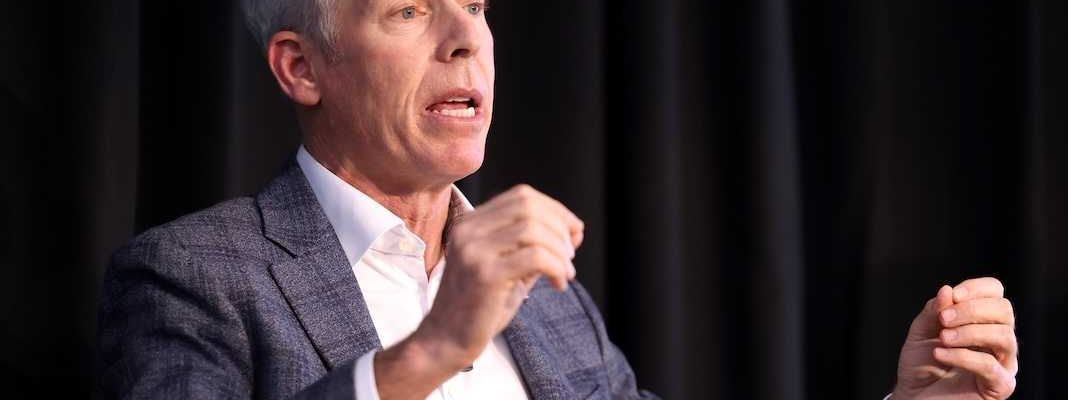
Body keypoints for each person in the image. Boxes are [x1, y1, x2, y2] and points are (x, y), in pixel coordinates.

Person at [97, 1, 1018, 399]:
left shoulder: (543, 294)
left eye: (479, 8)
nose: (468, 41)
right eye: (411, 13)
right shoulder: (195, 277)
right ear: (302, 67)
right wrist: (429, 354)